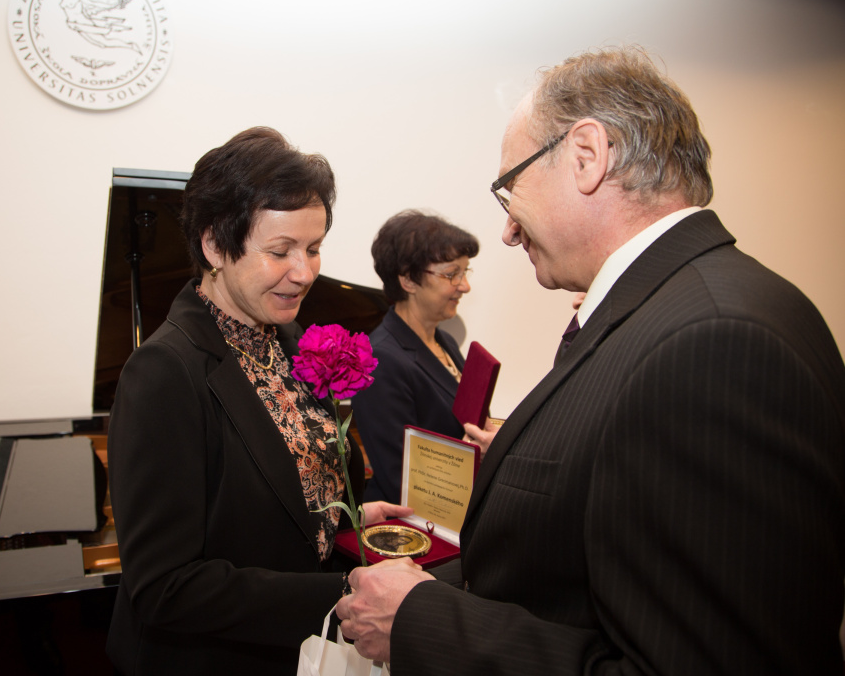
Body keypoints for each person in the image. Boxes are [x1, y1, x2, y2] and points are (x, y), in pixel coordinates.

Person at [337, 46, 845, 675]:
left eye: (510, 187)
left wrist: (424, 621)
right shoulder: (674, 308)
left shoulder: (715, 340)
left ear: (586, 155)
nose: (508, 230)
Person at [106, 127, 410, 675]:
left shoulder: (290, 340)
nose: (304, 272)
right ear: (214, 246)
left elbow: (275, 496)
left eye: (313, 248)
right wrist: (345, 592)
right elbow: (165, 587)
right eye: (280, 251)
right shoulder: (163, 373)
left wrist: (342, 516)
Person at [351, 210, 481, 503]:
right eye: (451, 274)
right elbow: (402, 479)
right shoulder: (378, 361)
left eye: (465, 272)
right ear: (408, 280)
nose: (465, 285)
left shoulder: (444, 340)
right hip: (420, 517)